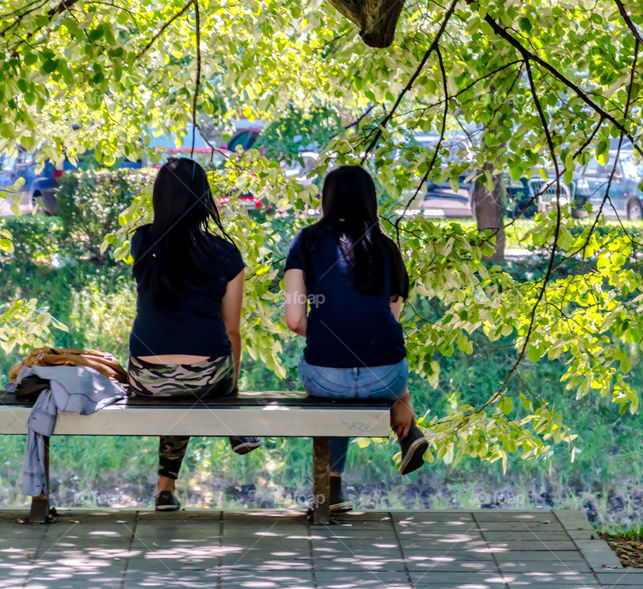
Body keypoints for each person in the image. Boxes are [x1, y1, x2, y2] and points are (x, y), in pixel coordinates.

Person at [284, 165, 428, 512]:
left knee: (335, 387)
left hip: (326, 377)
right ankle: (408, 428)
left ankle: (331, 490)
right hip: (387, 377)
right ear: (370, 200)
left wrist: (327, 330)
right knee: (367, 362)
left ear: (326, 198)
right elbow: (389, 322)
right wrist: (400, 392)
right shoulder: (387, 247)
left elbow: (294, 319)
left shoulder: (306, 241)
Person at [127, 157, 261, 512]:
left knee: (177, 385)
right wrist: (232, 387)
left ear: (159, 197)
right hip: (207, 375)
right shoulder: (225, 253)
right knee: (194, 380)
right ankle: (235, 424)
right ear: (204, 198)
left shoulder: (142, 241)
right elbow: (232, 330)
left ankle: (165, 489)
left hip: (145, 375)